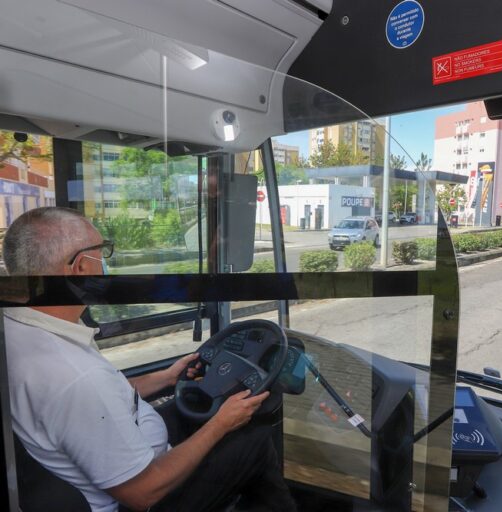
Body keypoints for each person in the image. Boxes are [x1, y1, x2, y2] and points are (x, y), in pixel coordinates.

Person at [3, 207, 295, 512]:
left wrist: (166, 378)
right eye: (102, 252)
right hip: (147, 495)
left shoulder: (19, 330)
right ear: (80, 268)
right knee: (254, 440)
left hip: (127, 443)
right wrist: (221, 424)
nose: (105, 263)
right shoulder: (75, 375)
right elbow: (142, 492)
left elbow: (97, 400)